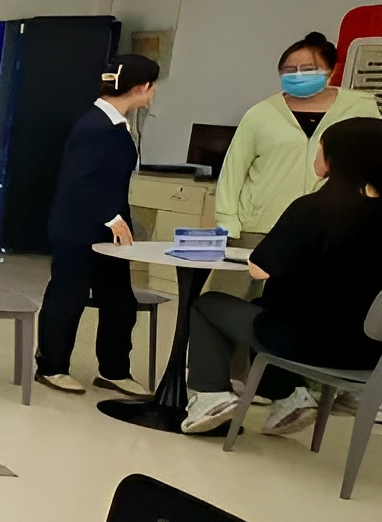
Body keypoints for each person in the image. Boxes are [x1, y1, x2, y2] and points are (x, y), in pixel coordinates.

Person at [181, 117, 382, 436]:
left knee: (208, 305)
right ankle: (291, 397)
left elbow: (260, 268)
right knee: (263, 310)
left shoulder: (315, 208)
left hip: (303, 340)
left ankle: (211, 395)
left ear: (336, 157)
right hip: (367, 352)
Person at [211, 33, 380, 300]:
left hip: (331, 227)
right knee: (232, 297)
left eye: (308, 68)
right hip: (259, 226)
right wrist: (227, 222)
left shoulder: (360, 108)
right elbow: (233, 170)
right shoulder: (261, 113)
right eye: (290, 70)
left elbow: (372, 162)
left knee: (306, 300)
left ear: (331, 70)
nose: (298, 75)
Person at [35, 53, 158, 395]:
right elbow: (82, 182)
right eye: (152, 88)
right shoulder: (96, 127)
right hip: (79, 229)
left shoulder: (114, 124)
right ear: (141, 87)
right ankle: (52, 366)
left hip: (108, 231)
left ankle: (115, 370)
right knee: (67, 298)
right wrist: (112, 217)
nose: (153, 95)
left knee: (120, 300)